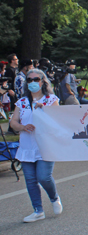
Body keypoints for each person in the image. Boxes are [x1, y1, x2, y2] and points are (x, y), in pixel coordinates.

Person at [9, 69, 62, 222]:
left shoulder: (51, 100)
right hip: (27, 145)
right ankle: (38, 210)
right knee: (30, 180)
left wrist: (44, 109)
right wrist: (22, 127)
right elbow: (13, 121)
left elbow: (58, 120)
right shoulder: (22, 102)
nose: (33, 82)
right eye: (29, 79)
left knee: (44, 177)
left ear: (43, 81)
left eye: (36, 79)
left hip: (45, 145)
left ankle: (54, 197)